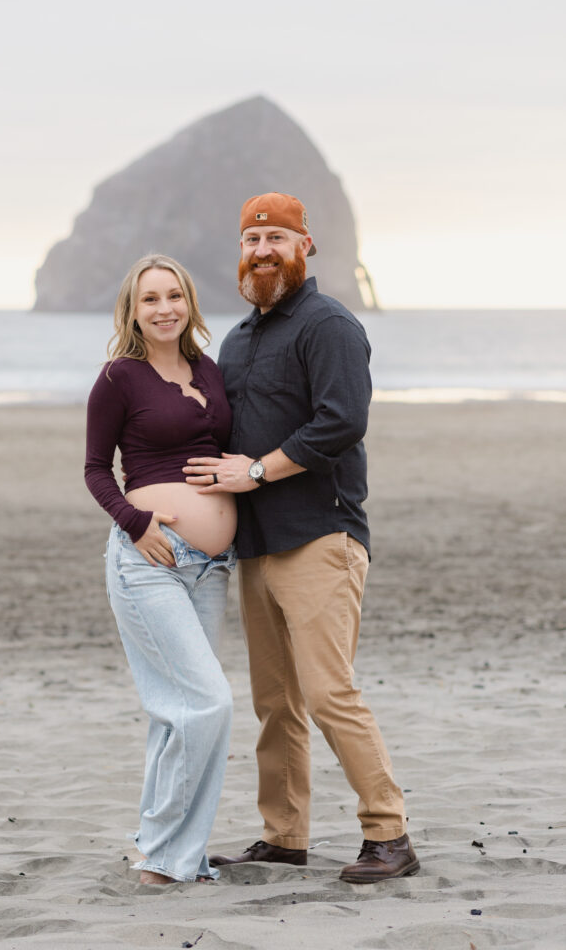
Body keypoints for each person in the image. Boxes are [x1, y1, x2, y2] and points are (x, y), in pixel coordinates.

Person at [183, 193, 419, 883]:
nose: (261, 249)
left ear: (304, 246)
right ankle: (284, 838)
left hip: (321, 534)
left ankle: (389, 835)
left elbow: (341, 421)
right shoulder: (236, 340)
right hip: (255, 545)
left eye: (275, 237)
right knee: (274, 703)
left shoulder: (329, 324)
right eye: (251, 236)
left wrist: (256, 470)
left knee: (328, 694)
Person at [85, 253, 237, 885]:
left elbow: (225, 450)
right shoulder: (119, 378)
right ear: (133, 310)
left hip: (213, 568)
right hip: (151, 561)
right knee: (210, 705)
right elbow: (95, 469)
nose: (165, 307)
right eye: (151, 299)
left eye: (174, 295)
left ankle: (176, 853)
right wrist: (137, 522)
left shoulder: (210, 370)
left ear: (189, 303)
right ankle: (161, 852)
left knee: (177, 712)